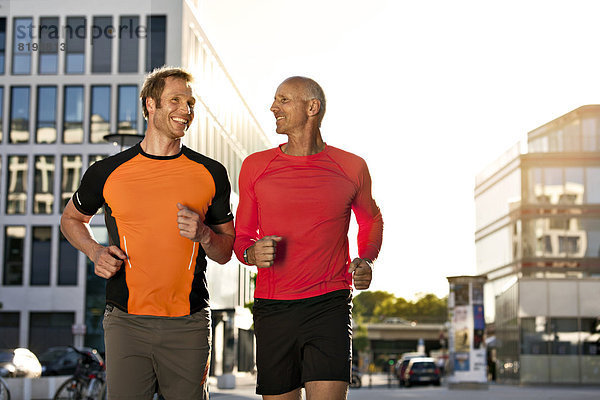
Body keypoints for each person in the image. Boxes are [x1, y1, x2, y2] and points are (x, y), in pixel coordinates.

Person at [60, 66, 235, 399]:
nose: (186, 111)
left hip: (189, 324)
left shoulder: (211, 173)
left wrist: (205, 235)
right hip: (127, 323)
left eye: (191, 103)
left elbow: (226, 251)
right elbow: (70, 219)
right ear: (150, 104)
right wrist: (95, 251)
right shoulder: (106, 172)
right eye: (176, 100)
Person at [234, 76, 383, 400]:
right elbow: (242, 236)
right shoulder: (255, 166)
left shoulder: (351, 167)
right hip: (273, 308)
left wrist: (366, 258)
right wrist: (251, 253)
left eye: (284, 100)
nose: (273, 107)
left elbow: (370, 219)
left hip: (328, 305)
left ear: (312, 107)